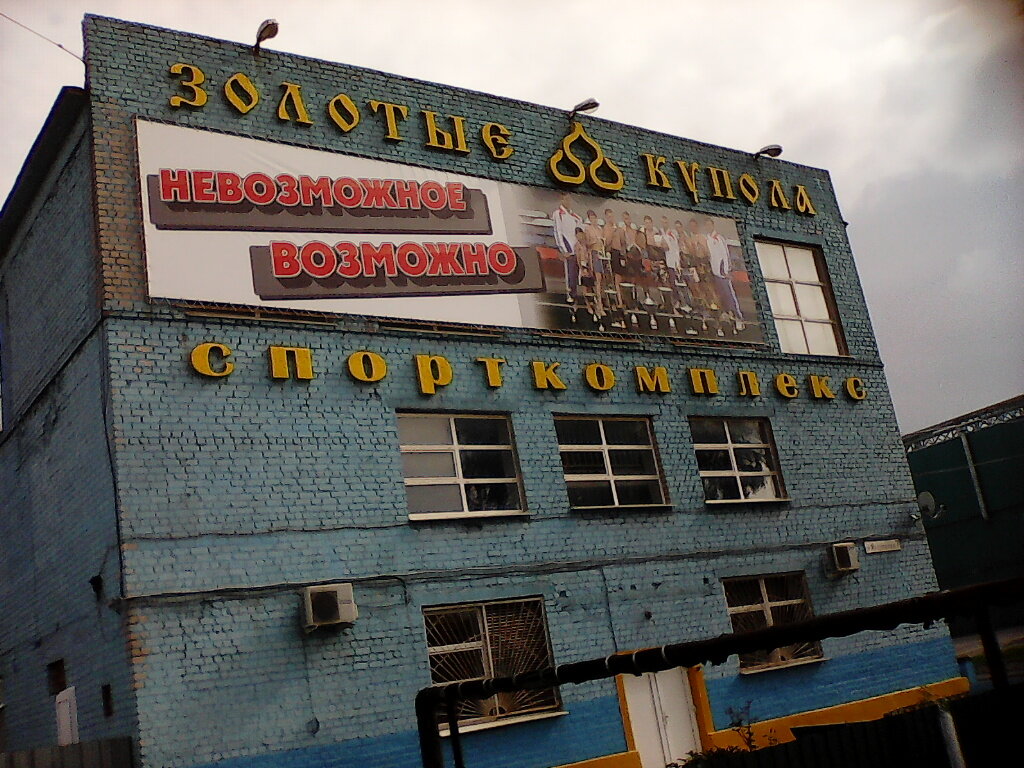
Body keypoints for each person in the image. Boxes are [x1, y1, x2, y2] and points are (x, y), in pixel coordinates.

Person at [703, 217, 745, 334]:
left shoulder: (719, 238)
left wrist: (726, 270)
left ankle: (738, 317)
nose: (708, 227)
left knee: (729, 296)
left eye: (709, 225)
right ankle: (726, 318)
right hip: (714, 273)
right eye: (706, 225)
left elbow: (725, 255)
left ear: (713, 226)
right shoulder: (707, 239)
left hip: (722, 273)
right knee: (721, 297)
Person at [551, 193, 583, 303]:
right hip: (567, 246)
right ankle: (569, 295)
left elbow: (580, 232)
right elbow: (558, 232)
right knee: (569, 272)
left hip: (576, 248)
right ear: (561, 200)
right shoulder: (558, 214)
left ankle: (576, 294)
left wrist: (580, 246)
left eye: (569, 199)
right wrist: (563, 249)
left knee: (576, 272)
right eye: (566, 199)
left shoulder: (576, 217)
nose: (568, 202)